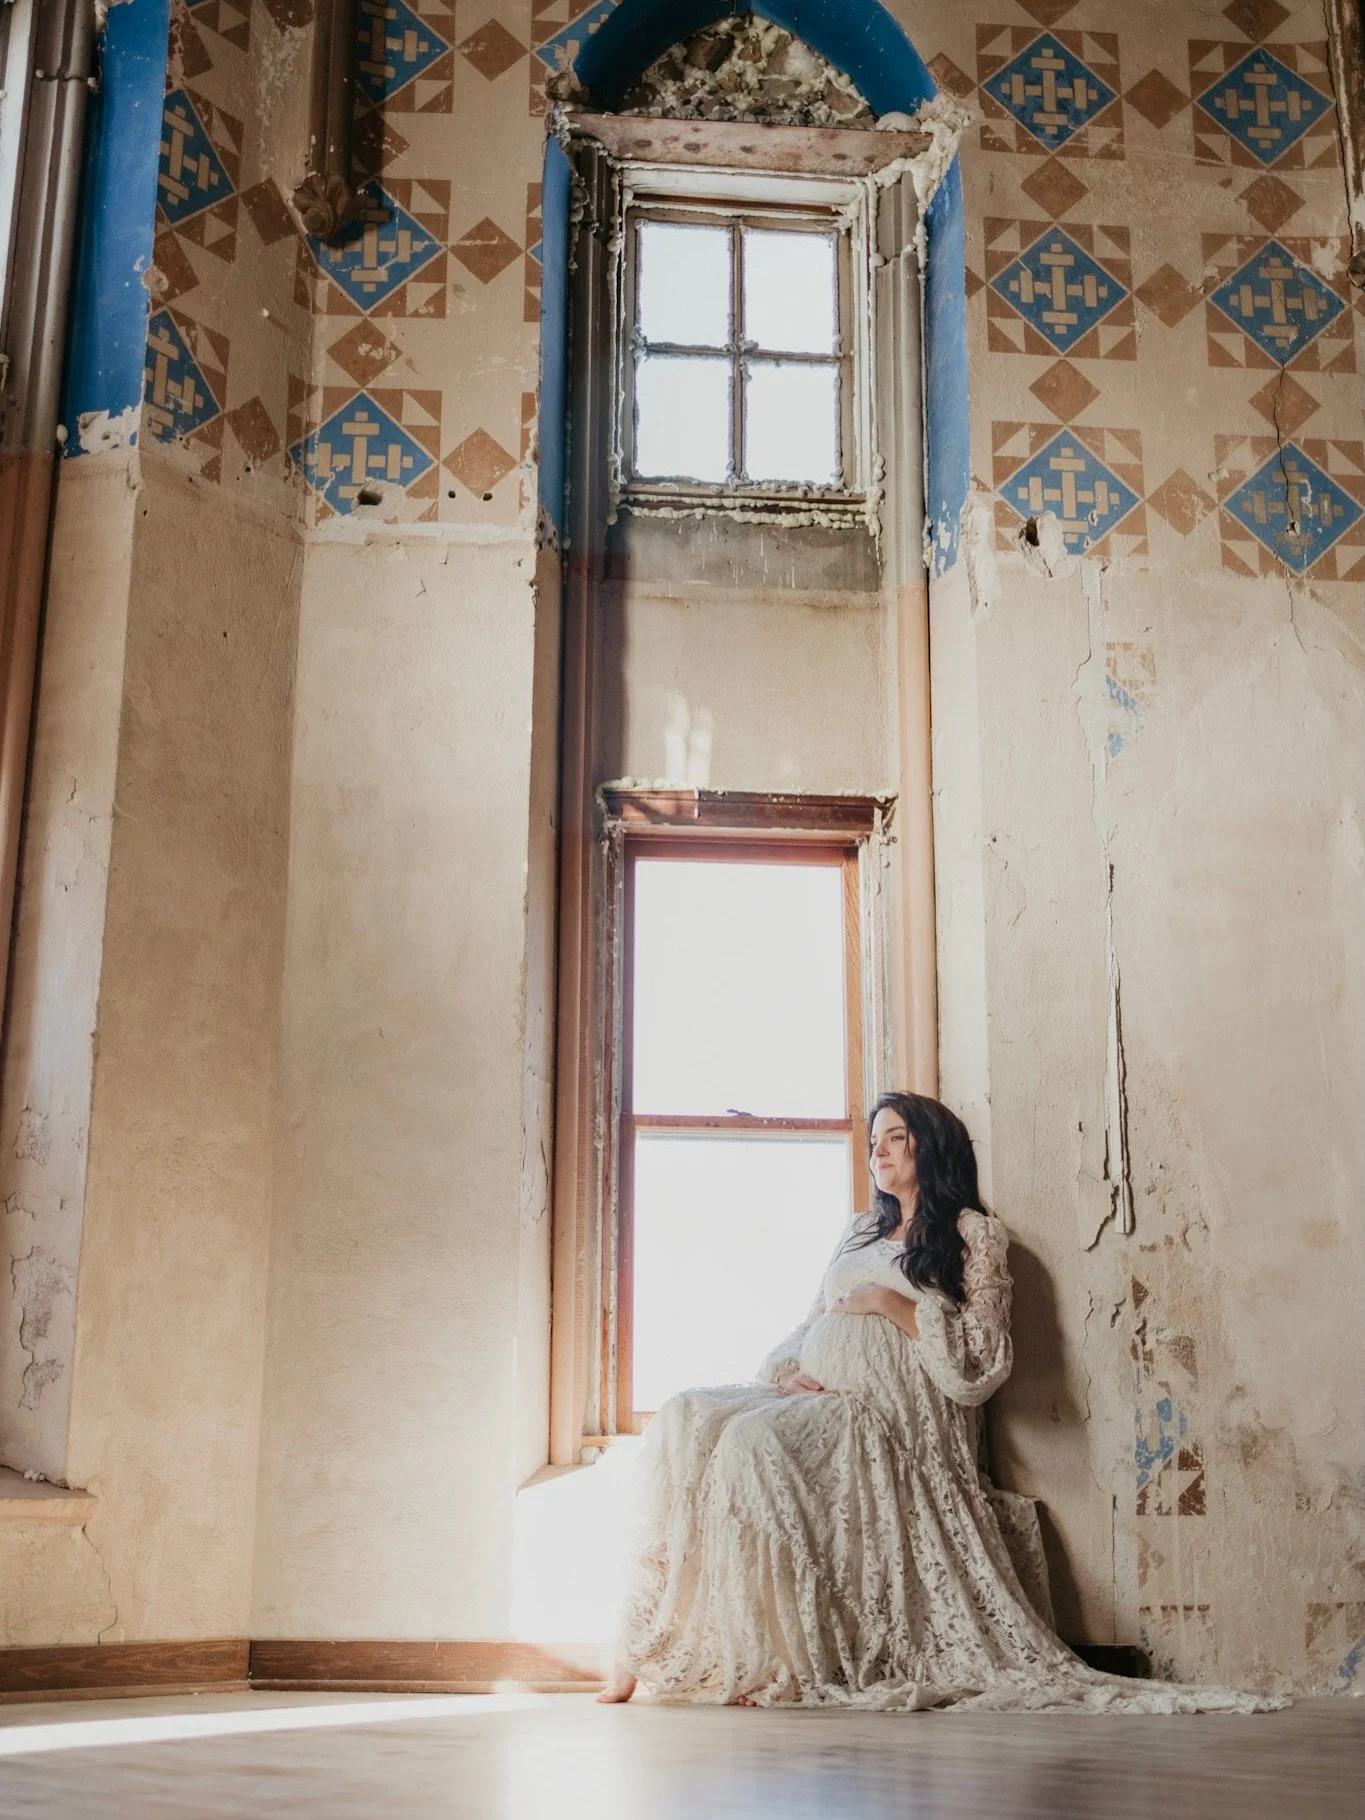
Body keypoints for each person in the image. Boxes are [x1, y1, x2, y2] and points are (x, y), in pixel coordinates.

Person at [597, 1091, 1282, 1711]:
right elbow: (809, 1321)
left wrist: (893, 1306)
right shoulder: (856, 1231)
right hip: (824, 1396)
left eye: (893, 1137)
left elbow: (981, 1366)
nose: (878, 1152)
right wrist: (785, 1372)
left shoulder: (971, 1234)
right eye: (872, 1141)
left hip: (894, 1419)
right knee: (685, 1414)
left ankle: (776, 1664)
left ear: (929, 1144)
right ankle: (641, 1649)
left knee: (751, 1446)